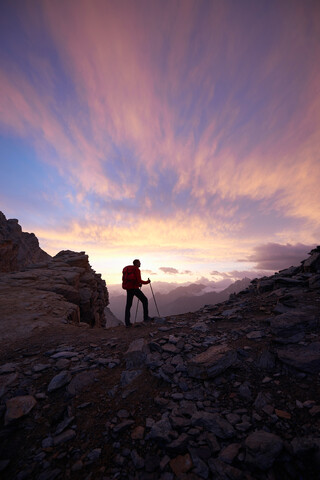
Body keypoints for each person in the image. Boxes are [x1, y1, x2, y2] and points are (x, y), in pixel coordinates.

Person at [122, 259, 153, 327]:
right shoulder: (136, 269)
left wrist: (138, 284)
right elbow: (139, 280)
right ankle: (146, 318)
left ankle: (127, 323)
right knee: (145, 300)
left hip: (129, 289)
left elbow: (135, 280)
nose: (140, 264)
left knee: (128, 305)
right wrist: (147, 282)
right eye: (139, 263)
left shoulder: (129, 269)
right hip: (134, 289)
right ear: (136, 263)